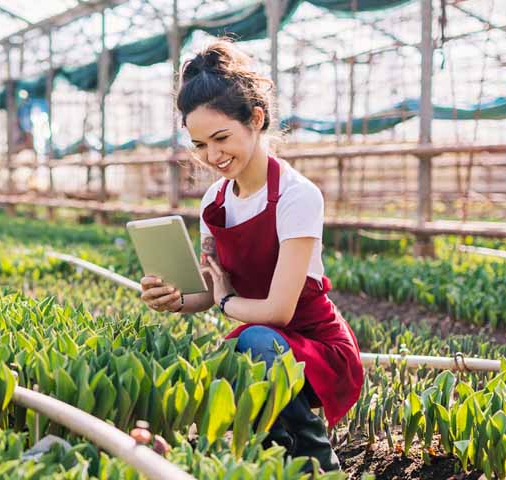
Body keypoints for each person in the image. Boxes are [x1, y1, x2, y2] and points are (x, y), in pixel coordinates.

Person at [139, 39, 363, 472]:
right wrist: (175, 299)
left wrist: (224, 302)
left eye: (221, 138)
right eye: (200, 145)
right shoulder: (215, 202)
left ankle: (321, 466)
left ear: (256, 119)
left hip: (316, 347)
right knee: (226, 359)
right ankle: (273, 464)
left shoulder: (297, 196)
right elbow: (210, 286)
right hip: (263, 344)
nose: (213, 156)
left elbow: (277, 311)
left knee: (252, 343)